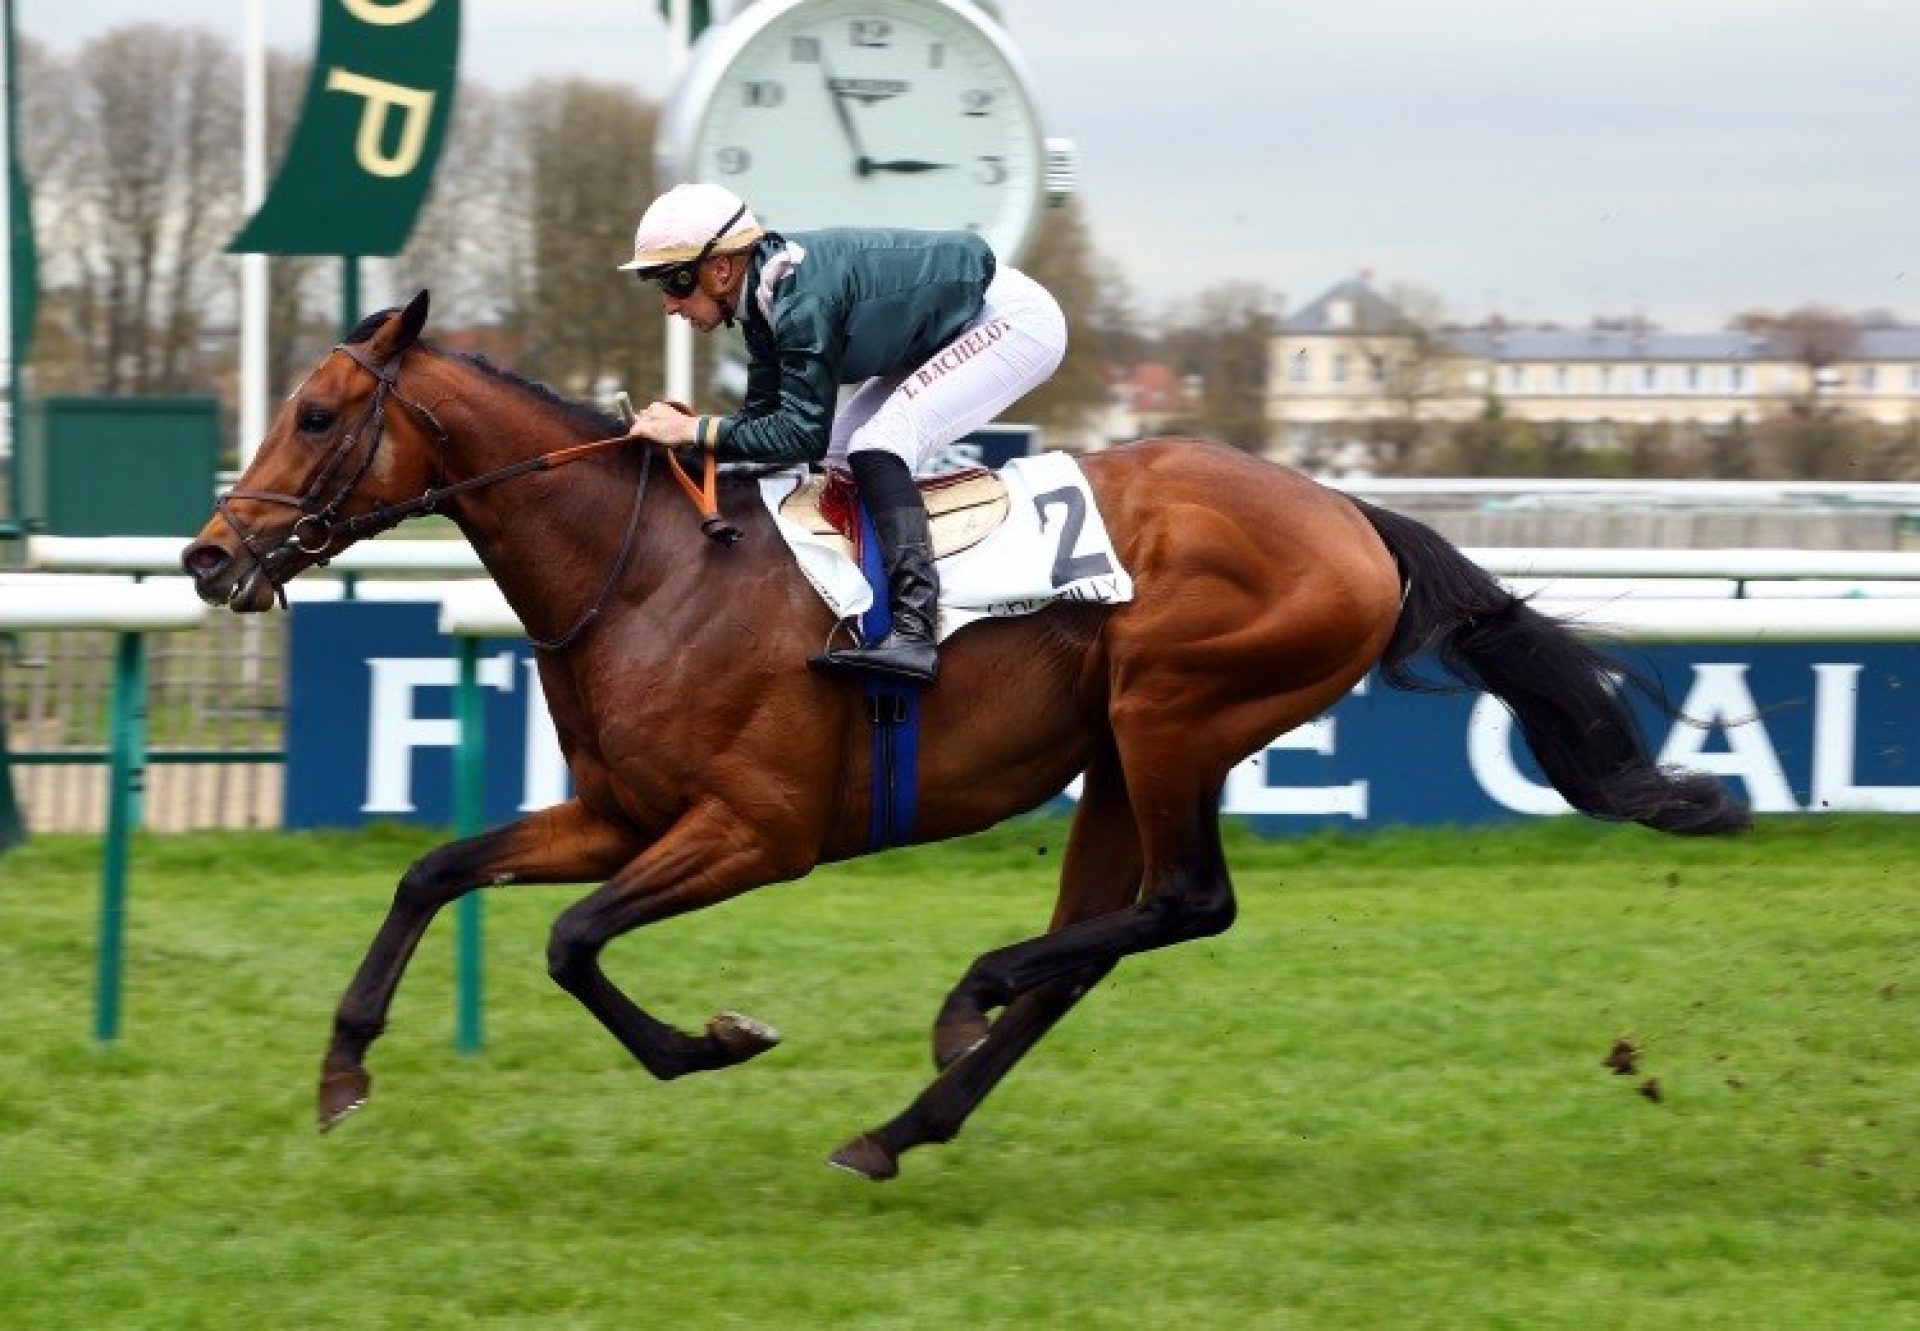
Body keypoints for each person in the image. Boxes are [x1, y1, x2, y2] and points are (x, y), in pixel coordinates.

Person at [619, 182, 1067, 685]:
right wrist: (686, 444)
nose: (668, 305)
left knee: (876, 446)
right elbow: (763, 424)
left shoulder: (799, 302)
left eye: (673, 283)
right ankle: (857, 606)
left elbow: (796, 435)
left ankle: (916, 631)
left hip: (1010, 321)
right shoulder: (762, 306)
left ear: (720, 269)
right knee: (840, 453)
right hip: (947, 326)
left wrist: (694, 428)